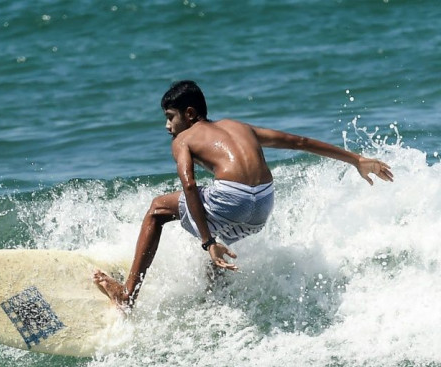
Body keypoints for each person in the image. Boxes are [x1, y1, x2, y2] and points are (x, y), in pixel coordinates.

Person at [94, 80, 394, 308]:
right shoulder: (240, 127)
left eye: (171, 117)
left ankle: (127, 294)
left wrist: (207, 241)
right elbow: (298, 141)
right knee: (217, 233)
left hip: (232, 198)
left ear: (189, 113)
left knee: (157, 209)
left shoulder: (184, 139)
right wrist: (355, 159)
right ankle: (217, 299)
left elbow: (188, 185)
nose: (167, 126)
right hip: (263, 203)